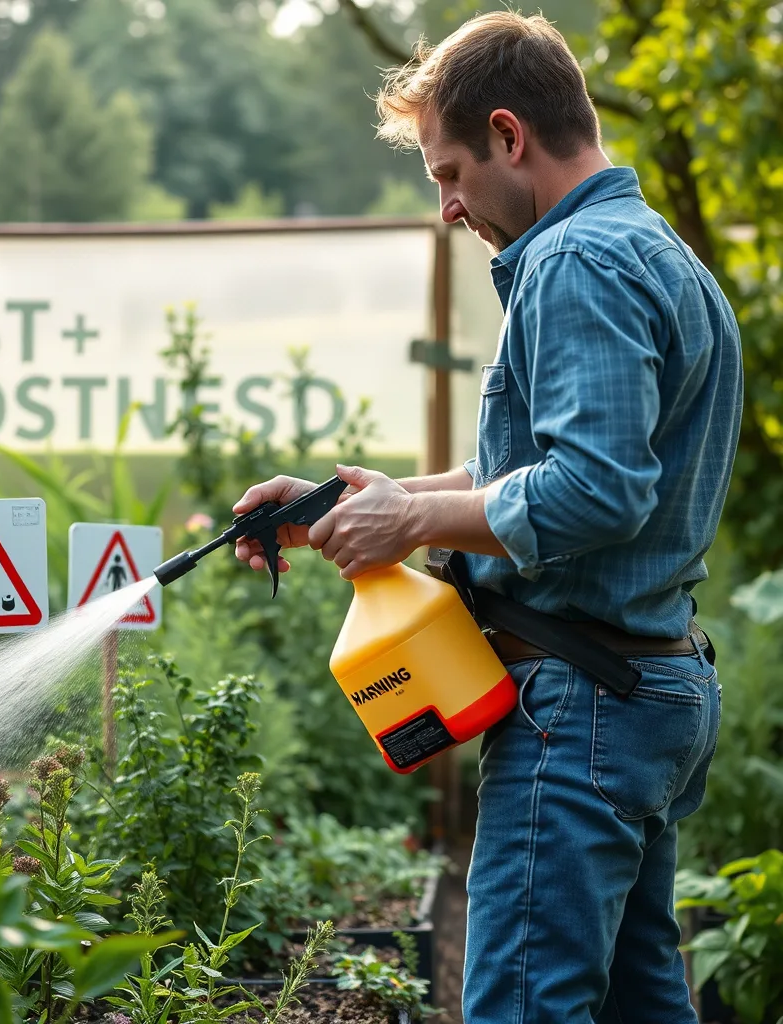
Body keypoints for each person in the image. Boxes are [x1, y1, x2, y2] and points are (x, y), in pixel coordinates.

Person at [233, 12, 742, 1024]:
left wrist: (412, 528)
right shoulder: (658, 255)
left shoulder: (574, 263)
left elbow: (595, 489)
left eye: (450, 173)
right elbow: (529, 472)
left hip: (583, 707)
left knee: (520, 1005)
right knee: (642, 1003)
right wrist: (367, 505)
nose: (448, 208)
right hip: (644, 691)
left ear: (510, 135)